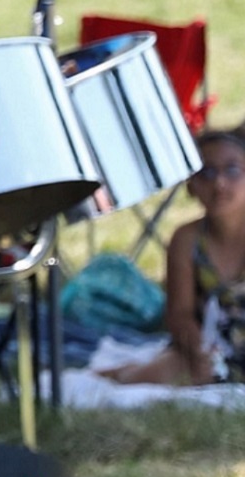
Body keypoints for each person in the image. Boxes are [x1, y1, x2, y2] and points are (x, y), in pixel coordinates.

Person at [99, 130, 245, 386]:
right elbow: (179, 314)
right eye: (207, 173)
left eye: (232, 170)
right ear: (191, 185)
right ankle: (117, 374)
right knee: (157, 376)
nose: (219, 183)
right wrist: (201, 352)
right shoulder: (187, 240)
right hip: (207, 348)